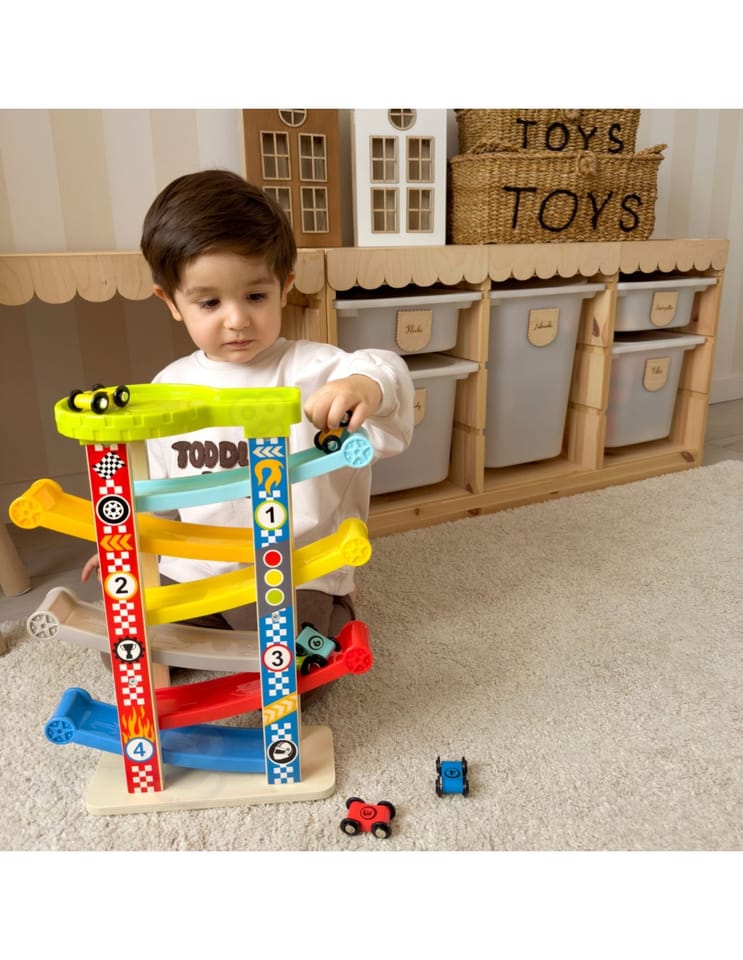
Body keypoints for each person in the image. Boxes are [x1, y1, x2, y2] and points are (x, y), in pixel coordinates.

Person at [83, 169, 414, 654]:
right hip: (197, 568)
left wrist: (365, 386)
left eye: (256, 296)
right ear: (171, 302)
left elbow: (386, 372)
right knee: (126, 648)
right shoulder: (168, 387)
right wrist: (130, 540)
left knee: (298, 666)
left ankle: (338, 601)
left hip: (294, 566)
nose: (237, 319)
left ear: (285, 287)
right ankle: (226, 629)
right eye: (209, 302)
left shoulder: (315, 368)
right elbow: (156, 488)